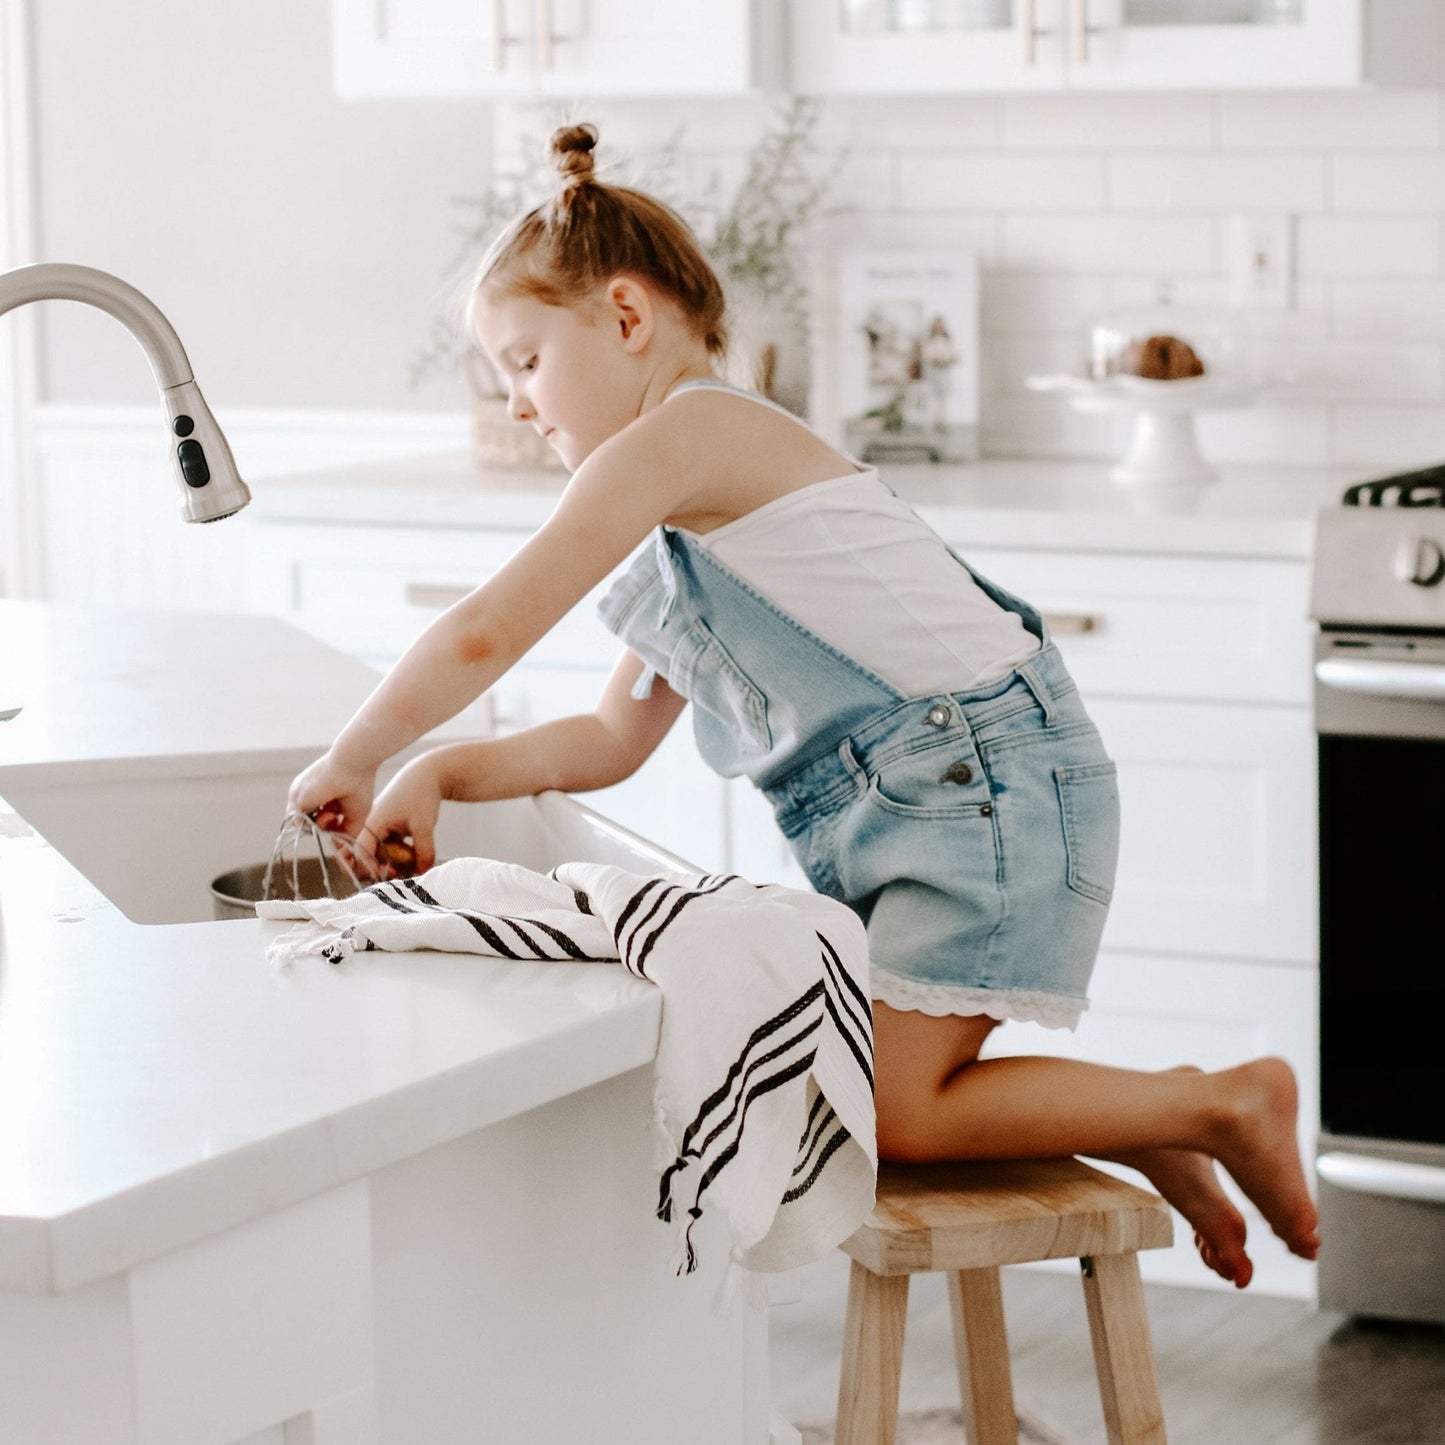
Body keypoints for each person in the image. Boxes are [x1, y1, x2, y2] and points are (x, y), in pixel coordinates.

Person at [289, 123, 1319, 1291]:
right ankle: (1159, 1124)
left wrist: (358, 751)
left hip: (986, 795)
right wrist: (439, 772)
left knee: (894, 1110)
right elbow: (610, 739)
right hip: (940, 803)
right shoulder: (683, 527)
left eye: (523, 360)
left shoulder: (693, 434)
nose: (520, 403)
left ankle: (1215, 1099)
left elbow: (486, 625)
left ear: (625, 319)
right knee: (877, 1092)